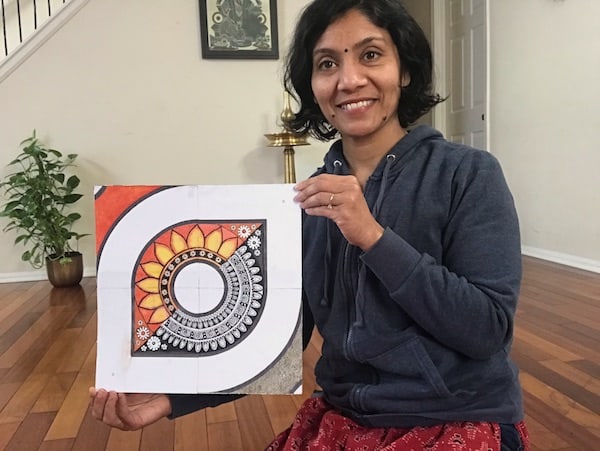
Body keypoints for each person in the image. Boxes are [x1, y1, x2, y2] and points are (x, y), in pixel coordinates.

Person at [90, 0, 530, 449]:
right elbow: (275, 337)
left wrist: (373, 237)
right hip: (344, 414)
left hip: (458, 415)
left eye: (371, 55)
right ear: (313, 86)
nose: (350, 79)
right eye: (327, 64)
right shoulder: (303, 204)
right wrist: (169, 400)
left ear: (406, 70)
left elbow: (487, 329)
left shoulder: (469, 174)